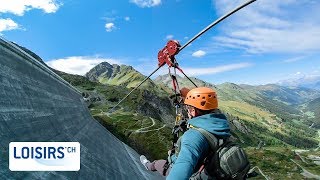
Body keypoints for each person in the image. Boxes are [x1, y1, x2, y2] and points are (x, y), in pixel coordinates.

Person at [140, 87, 231, 179]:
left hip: (186, 170)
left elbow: (180, 172)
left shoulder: (193, 137)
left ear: (193, 111)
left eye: (188, 108)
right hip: (207, 167)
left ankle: (147, 165)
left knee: (156, 164)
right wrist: (189, 95)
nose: (187, 111)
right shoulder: (219, 127)